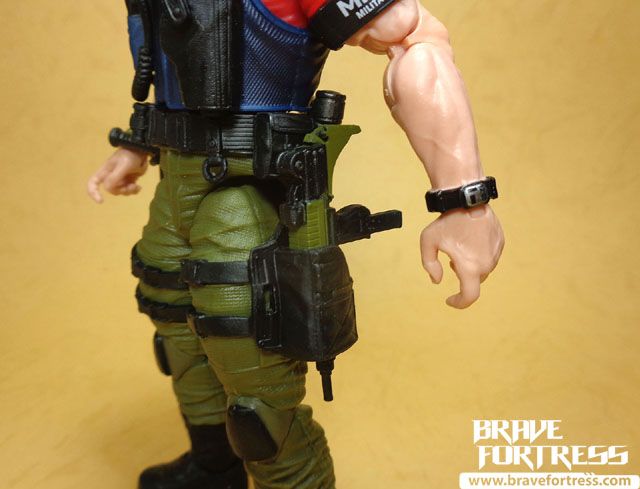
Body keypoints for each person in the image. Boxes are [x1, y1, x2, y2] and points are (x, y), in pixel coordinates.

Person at [87, 1, 504, 488]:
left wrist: (464, 201)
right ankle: (213, 470)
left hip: (248, 186)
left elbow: (415, 43)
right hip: (177, 175)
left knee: (251, 373)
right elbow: (173, 58)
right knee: (174, 320)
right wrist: (139, 142)